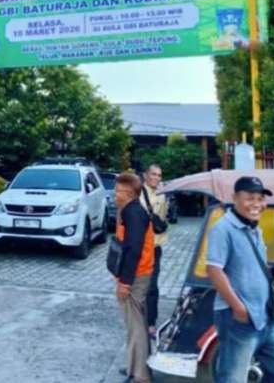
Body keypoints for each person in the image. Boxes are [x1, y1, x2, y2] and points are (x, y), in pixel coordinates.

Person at [206, 176, 274, 383]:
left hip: (265, 316)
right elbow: (214, 270)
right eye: (250, 198)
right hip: (239, 319)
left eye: (260, 198)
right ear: (235, 198)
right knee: (232, 378)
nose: (257, 204)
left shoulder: (255, 228)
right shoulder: (223, 229)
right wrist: (239, 309)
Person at [114, 172, 155, 383]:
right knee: (134, 324)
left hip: (136, 276)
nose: (114, 195)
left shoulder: (134, 214)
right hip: (138, 274)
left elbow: (133, 250)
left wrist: (125, 283)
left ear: (129, 193)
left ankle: (141, 375)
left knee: (136, 325)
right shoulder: (131, 210)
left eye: (118, 191)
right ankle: (134, 367)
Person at [139, 164, 168, 338]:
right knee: (138, 285)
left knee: (152, 285)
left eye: (159, 175)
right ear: (145, 175)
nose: (156, 178)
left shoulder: (163, 194)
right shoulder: (137, 194)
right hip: (139, 247)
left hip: (155, 247)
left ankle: (151, 323)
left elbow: (163, 221)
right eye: (153, 174)